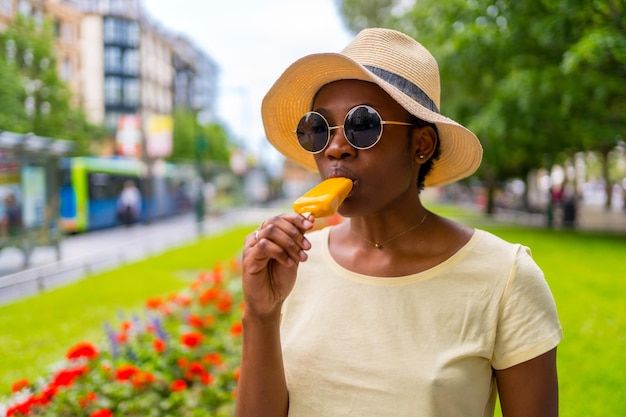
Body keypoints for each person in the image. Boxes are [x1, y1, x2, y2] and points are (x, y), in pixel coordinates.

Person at [237, 28, 562, 417]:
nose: (337, 147)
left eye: (362, 126)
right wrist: (261, 314)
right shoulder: (294, 265)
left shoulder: (505, 276)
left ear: (420, 145)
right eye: (319, 130)